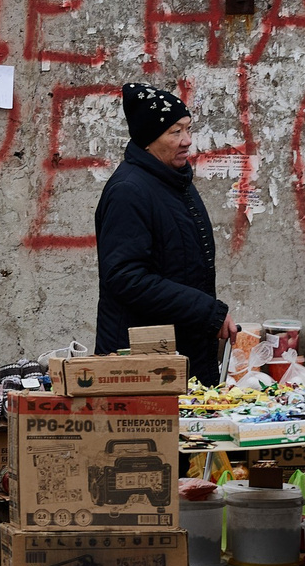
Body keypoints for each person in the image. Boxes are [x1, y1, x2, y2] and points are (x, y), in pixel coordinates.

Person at [94, 83, 233, 381]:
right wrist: (206, 311)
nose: (187, 141)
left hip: (178, 351)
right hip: (140, 364)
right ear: (148, 139)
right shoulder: (129, 190)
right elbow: (125, 277)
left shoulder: (173, 181)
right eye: (175, 132)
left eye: (187, 129)